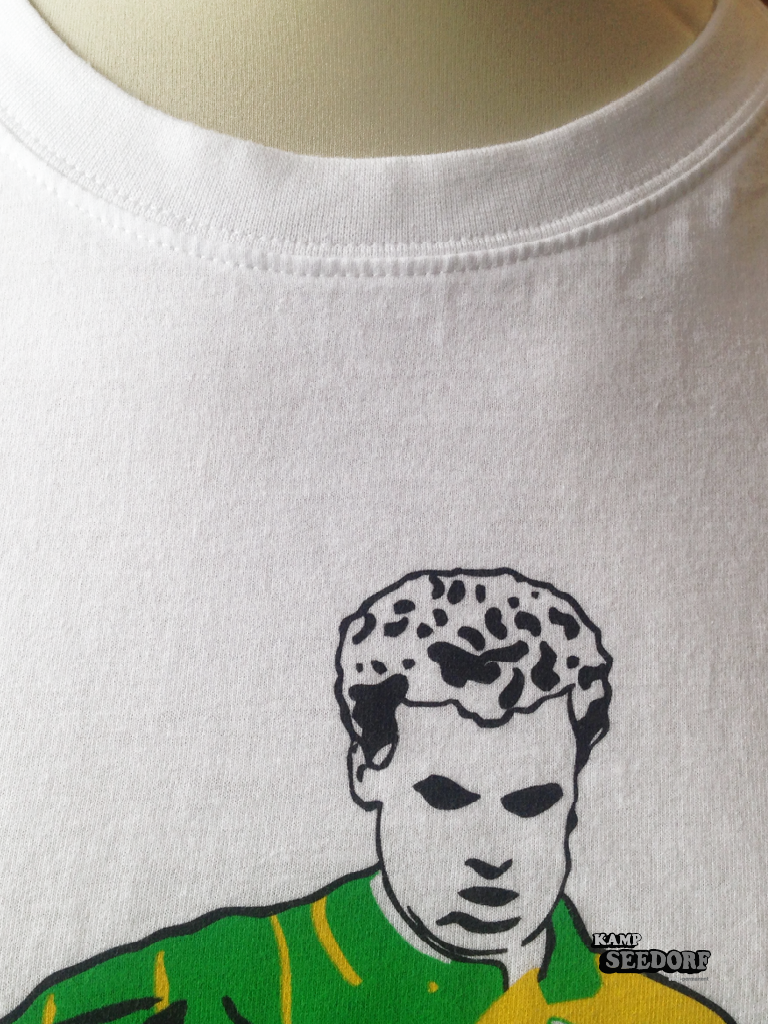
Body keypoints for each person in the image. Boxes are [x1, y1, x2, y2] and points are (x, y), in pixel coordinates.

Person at [8, 569, 733, 1024]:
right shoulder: (224, 986)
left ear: (573, 799)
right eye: (446, 798)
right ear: (368, 772)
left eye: (531, 802)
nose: (492, 853)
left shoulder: (665, 1017)